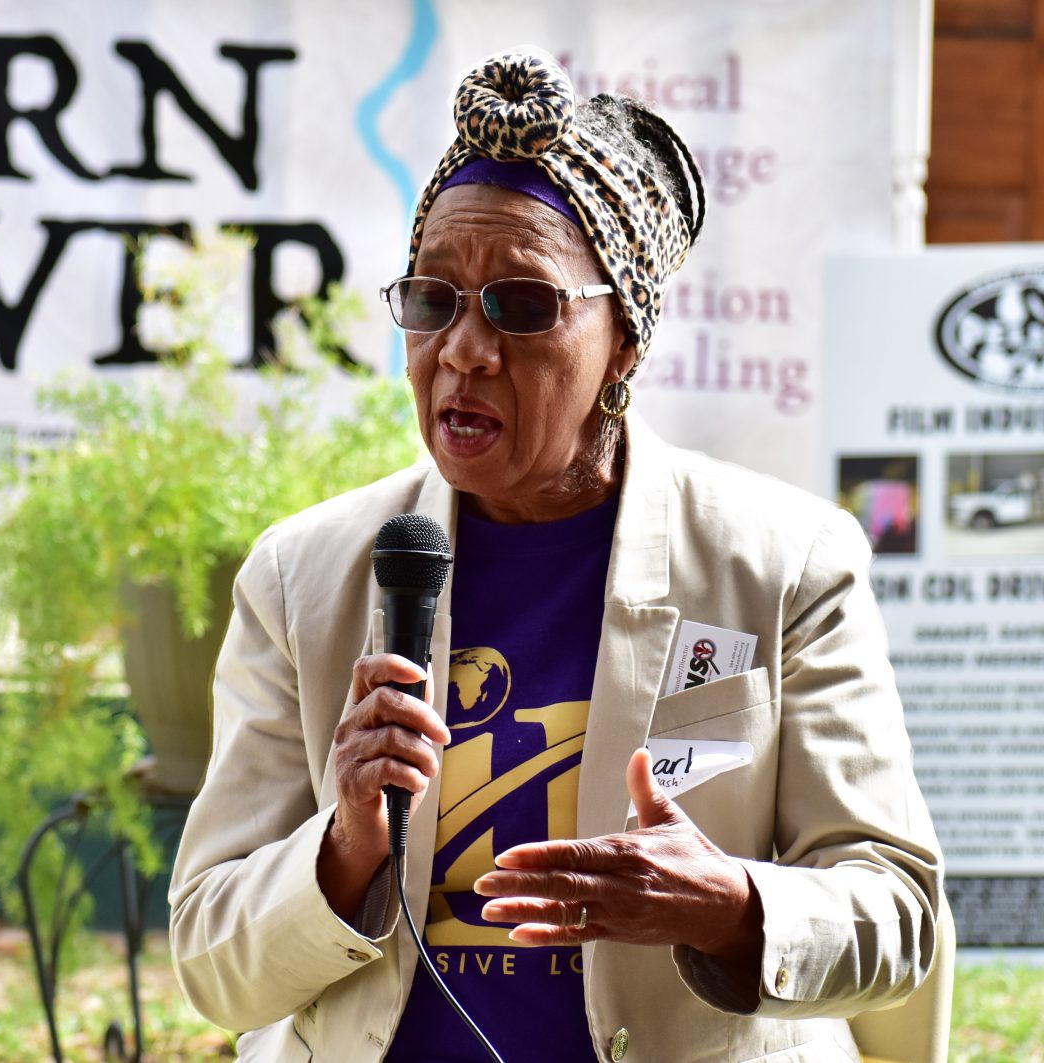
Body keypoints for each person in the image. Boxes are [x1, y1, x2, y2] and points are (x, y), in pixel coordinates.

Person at [169, 48, 943, 1062]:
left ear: (625, 337)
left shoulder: (782, 567)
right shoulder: (303, 577)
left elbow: (896, 911)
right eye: (433, 298)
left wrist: (733, 906)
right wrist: (346, 844)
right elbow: (212, 960)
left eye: (522, 306)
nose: (464, 349)